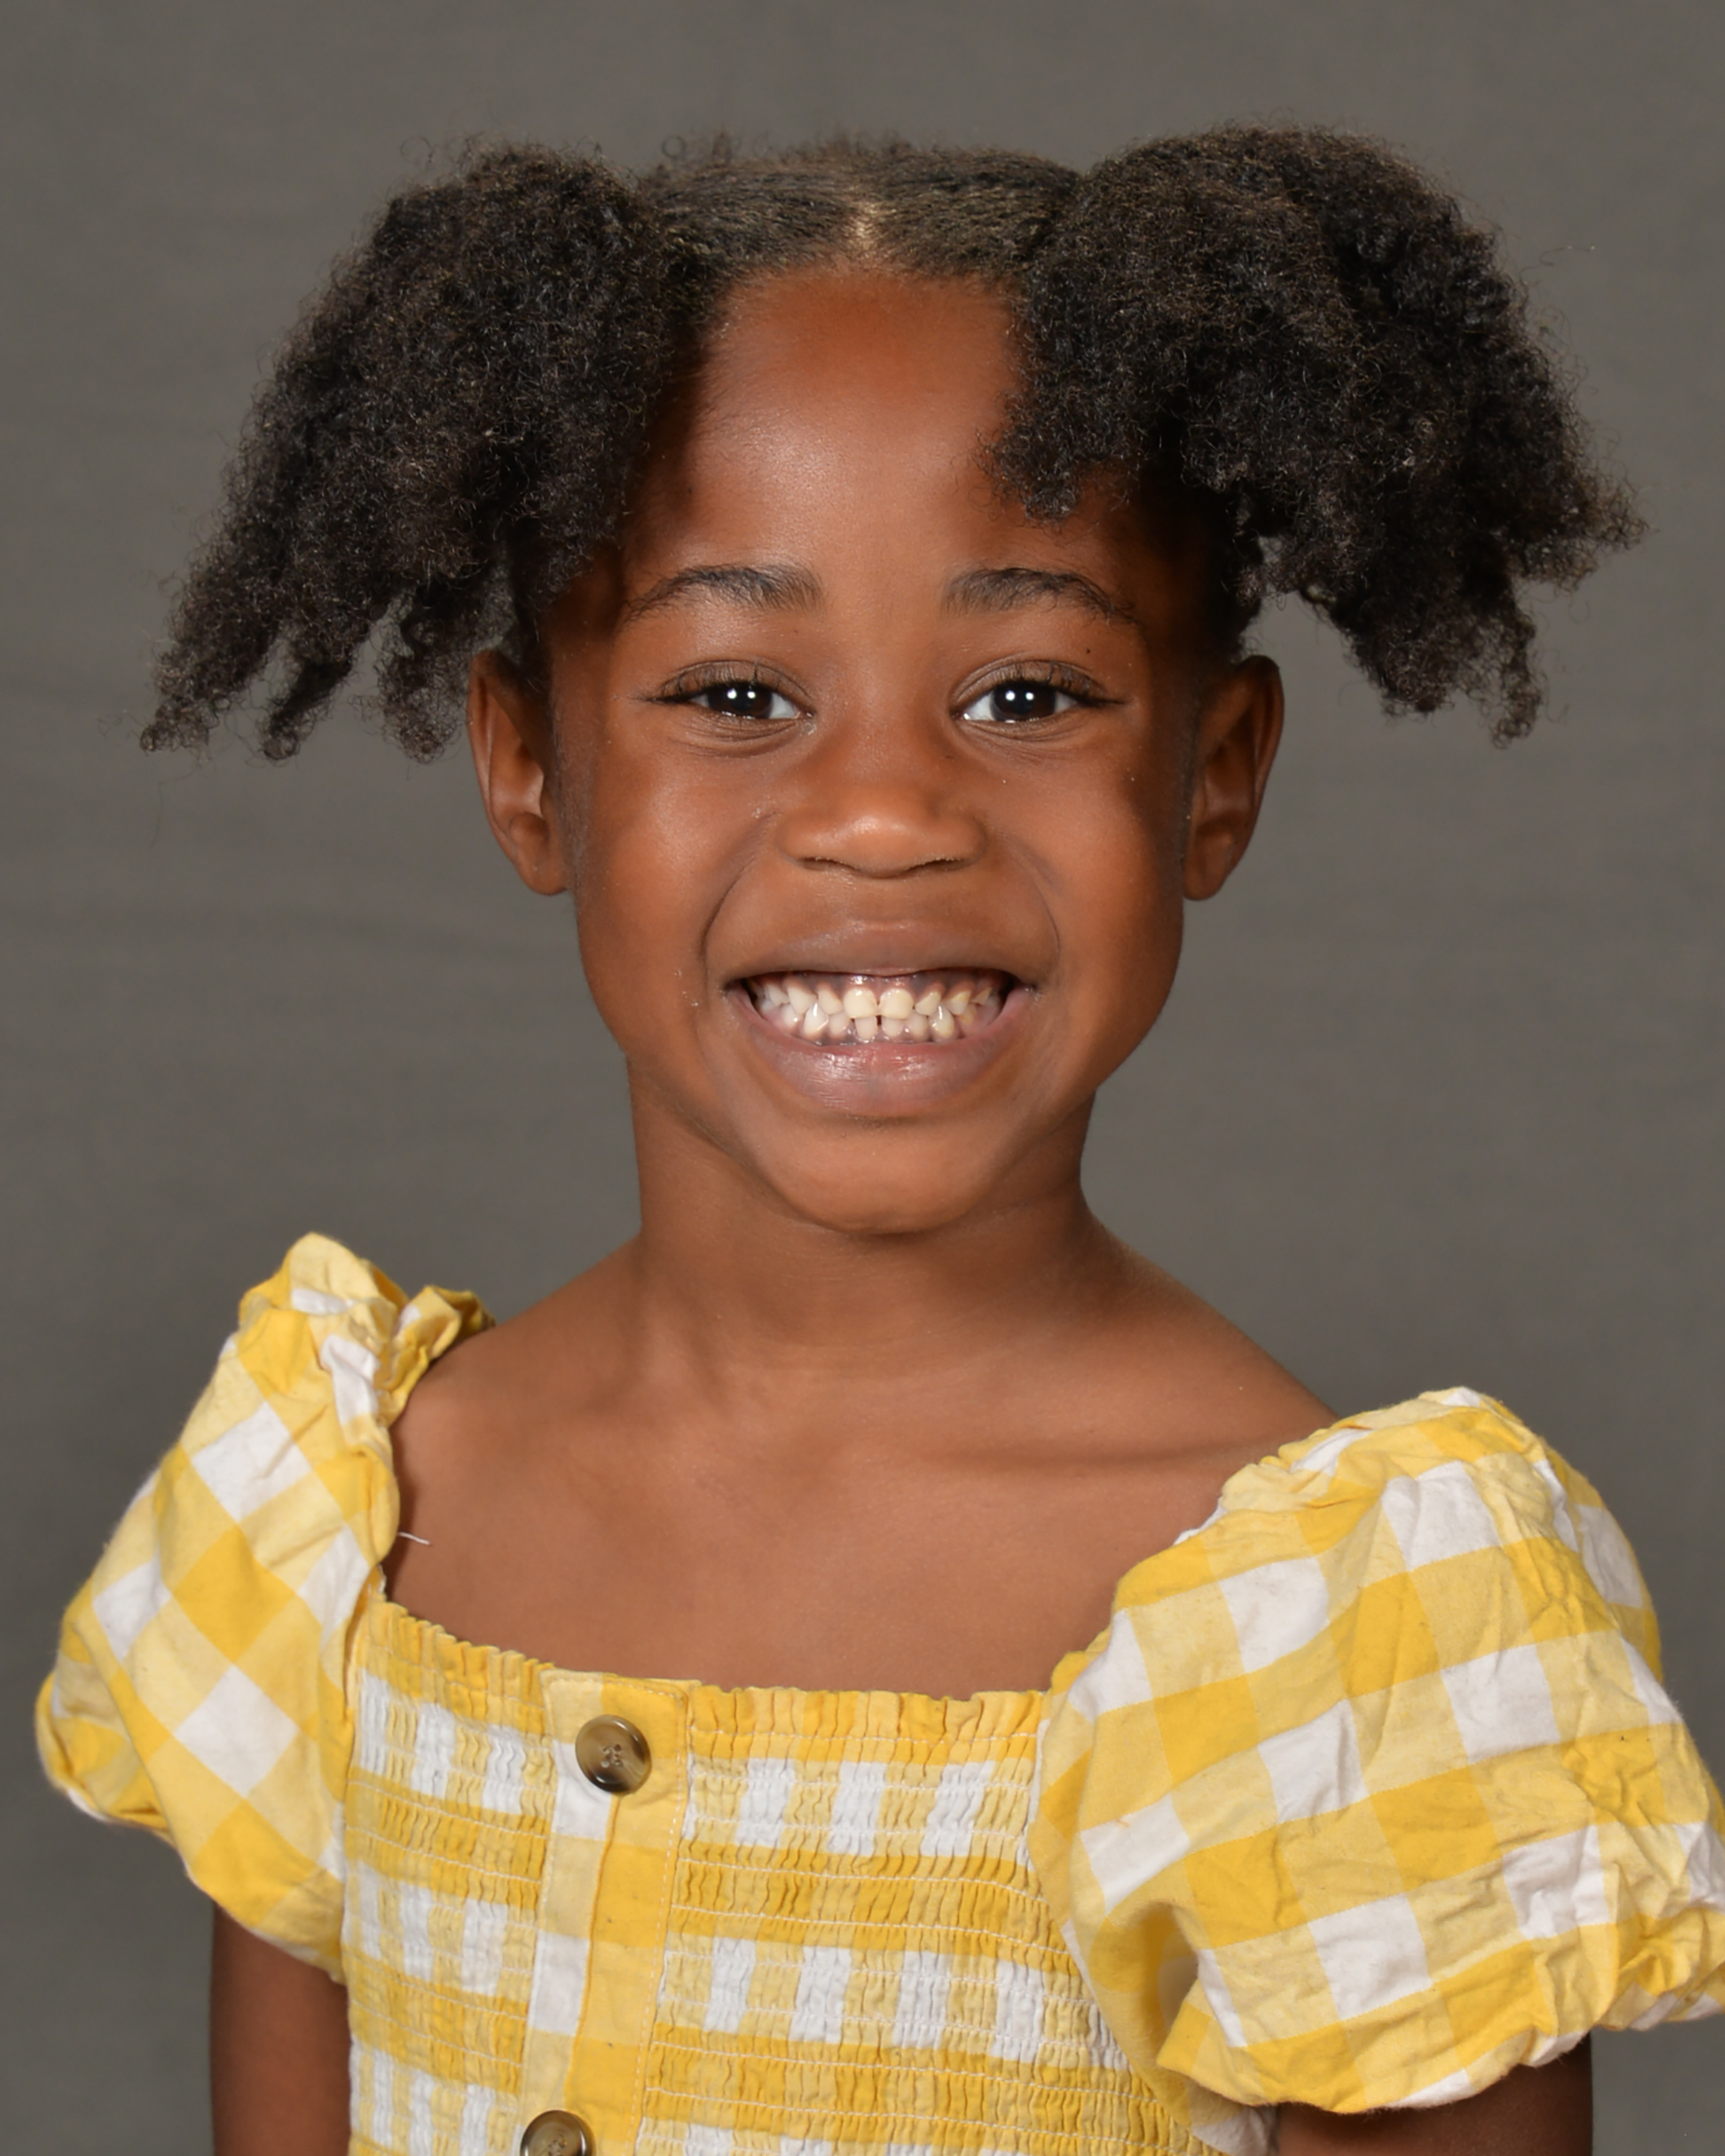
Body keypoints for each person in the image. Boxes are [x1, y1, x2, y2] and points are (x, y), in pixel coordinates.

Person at [36, 130, 1725, 2156]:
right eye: (737, 690)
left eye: (1026, 695)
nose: (884, 815)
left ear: (1215, 778)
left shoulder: (1349, 1638)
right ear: (529, 771)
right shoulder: (352, 1527)